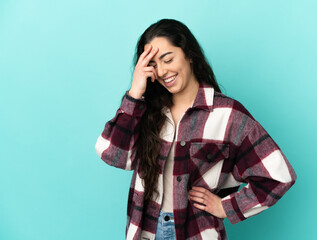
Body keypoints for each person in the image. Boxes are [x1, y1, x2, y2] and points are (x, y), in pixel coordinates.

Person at [95, 18, 297, 240]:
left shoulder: (228, 114)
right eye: (153, 65)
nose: (161, 72)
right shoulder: (145, 111)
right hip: (146, 231)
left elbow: (279, 176)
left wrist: (226, 207)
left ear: (189, 55)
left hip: (197, 233)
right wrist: (135, 93)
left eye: (167, 59)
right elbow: (113, 155)